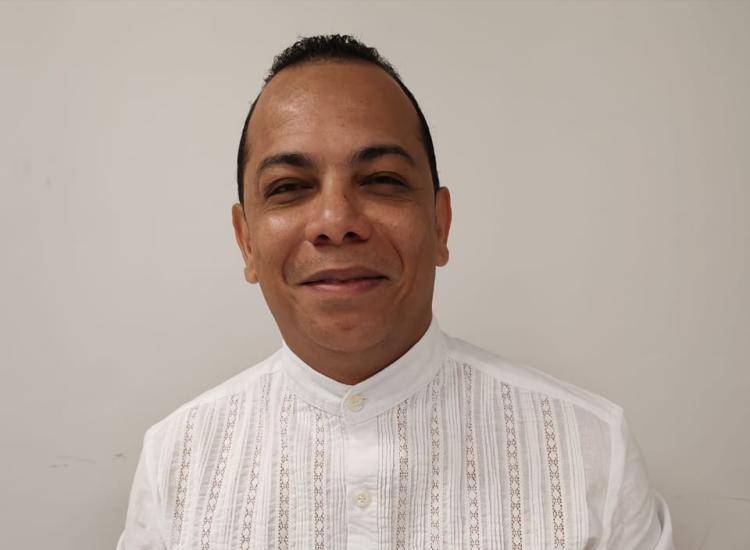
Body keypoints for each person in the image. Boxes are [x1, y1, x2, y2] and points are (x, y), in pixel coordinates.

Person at [117, 34, 674, 549]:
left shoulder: (591, 450)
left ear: (440, 224)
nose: (336, 221)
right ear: (246, 242)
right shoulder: (177, 460)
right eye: (289, 187)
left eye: (382, 180)